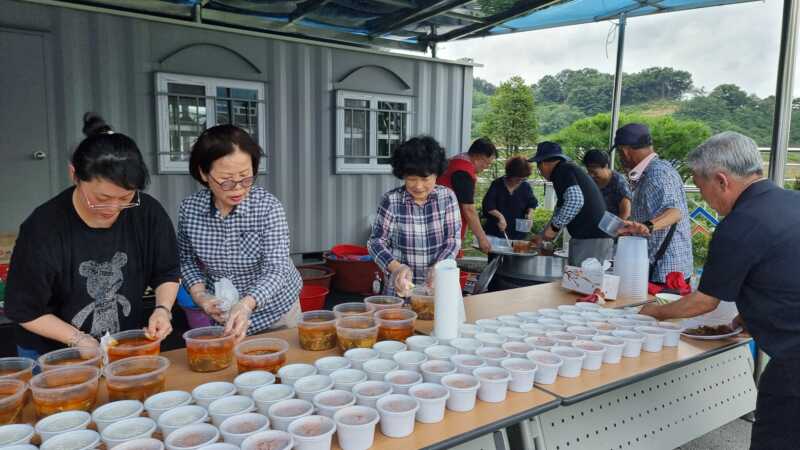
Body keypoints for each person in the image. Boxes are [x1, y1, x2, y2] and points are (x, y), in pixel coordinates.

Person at [638, 132, 800, 450]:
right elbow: (783, 273)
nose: (704, 198)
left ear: (722, 180)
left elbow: (703, 302)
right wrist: (750, 317)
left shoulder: (740, 223)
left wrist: (653, 311)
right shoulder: (792, 203)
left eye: (700, 187)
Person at [4, 113, 179, 357]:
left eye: (125, 198)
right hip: (51, 352)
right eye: (102, 199)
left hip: (123, 343)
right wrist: (79, 339)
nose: (113, 208)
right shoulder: (43, 228)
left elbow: (167, 271)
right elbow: (25, 310)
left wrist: (162, 309)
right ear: (74, 175)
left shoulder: (147, 212)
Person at [178, 125, 301, 340]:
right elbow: (186, 260)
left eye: (245, 177)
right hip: (224, 313)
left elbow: (277, 268)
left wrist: (246, 304)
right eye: (226, 180)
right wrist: (200, 296)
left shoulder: (267, 208)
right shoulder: (190, 210)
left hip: (277, 312)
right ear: (203, 173)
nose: (238, 188)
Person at [368, 136, 461, 297]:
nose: (418, 186)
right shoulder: (392, 200)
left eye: (425, 178)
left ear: (436, 174)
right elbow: (376, 242)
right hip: (400, 289)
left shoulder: (447, 197)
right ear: (402, 175)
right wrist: (397, 268)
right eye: (411, 179)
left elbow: (452, 239)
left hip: (437, 287)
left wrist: (439, 267)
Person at [615, 123, 693, 283]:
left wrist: (647, 226)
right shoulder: (651, 172)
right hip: (659, 267)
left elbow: (675, 212)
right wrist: (634, 228)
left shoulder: (658, 173)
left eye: (619, 153)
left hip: (667, 272)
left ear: (625, 151)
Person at [528, 142, 612, 266]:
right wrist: (543, 235)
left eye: (539, 167)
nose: (540, 171)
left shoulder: (561, 171)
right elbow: (560, 209)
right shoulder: (568, 170)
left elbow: (575, 201)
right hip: (595, 237)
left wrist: (554, 228)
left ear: (544, 163)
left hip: (590, 238)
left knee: (584, 282)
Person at [437, 138, 496, 254]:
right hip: (445, 227)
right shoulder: (462, 172)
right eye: (487, 163)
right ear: (479, 157)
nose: (486, 167)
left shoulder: (455, 161)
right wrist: (482, 238)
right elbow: (468, 209)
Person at [482, 156, 539, 241]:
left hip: (518, 234)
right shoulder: (497, 184)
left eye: (523, 178)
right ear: (510, 174)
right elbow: (488, 205)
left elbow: (532, 203)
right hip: (496, 232)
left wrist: (530, 214)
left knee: (517, 252)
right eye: (517, 178)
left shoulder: (525, 186)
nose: (520, 181)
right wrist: (500, 217)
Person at [582, 149, 632, 220]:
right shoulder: (590, 180)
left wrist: (615, 229)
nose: (591, 175)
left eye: (594, 172)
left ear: (605, 166)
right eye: (589, 171)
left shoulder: (619, 182)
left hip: (613, 225)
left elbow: (625, 213)